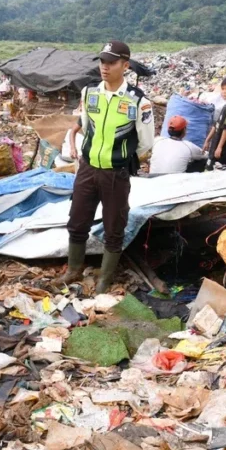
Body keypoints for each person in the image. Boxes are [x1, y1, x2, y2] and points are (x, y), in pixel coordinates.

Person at [57, 41, 154, 293]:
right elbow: (86, 128)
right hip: (88, 169)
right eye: (102, 61)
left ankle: (104, 279)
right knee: (77, 221)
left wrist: (121, 160)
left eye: (111, 62)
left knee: (114, 228)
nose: (105, 67)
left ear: (125, 65)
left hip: (116, 174)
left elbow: (145, 144)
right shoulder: (90, 93)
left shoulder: (138, 102)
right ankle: (73, 269)